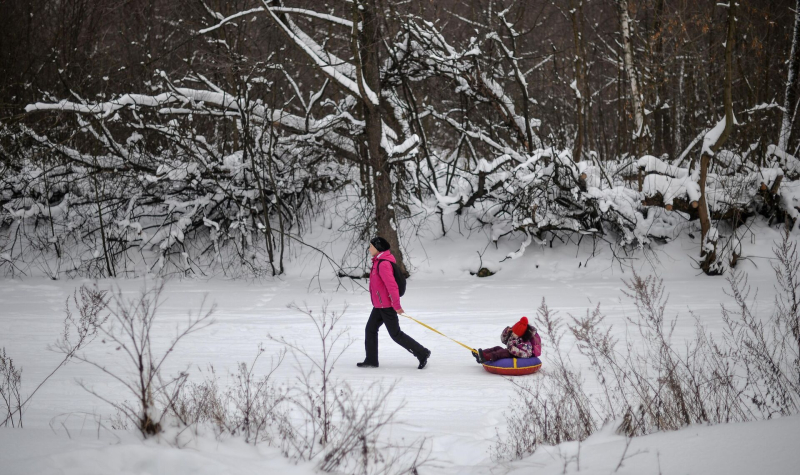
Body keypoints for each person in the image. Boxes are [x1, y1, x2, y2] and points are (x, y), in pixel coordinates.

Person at [357, 237, 431, 369]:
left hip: (387, 306)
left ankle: (422, 353)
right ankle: (371, 360)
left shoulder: (383, 264)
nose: (369, 248)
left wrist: (396, 306)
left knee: (395, 334)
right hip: (379, 306)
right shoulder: (378, 262)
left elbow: (392, 287)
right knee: (370, 329)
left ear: (378, 248)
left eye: (371, 246)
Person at [474, 316, 541, 363]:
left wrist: (512, 349)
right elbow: (504, 341)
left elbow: (527, 354)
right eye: (513, 331)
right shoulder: (514, 335)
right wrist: (506, 332)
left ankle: (487, 357)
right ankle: (481, 354)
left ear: (520, 334)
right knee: (497, 348)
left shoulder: (525, 342)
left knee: (501, 353)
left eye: (515, 333)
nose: (513, 333)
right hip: (510, 351)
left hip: (517, 356)